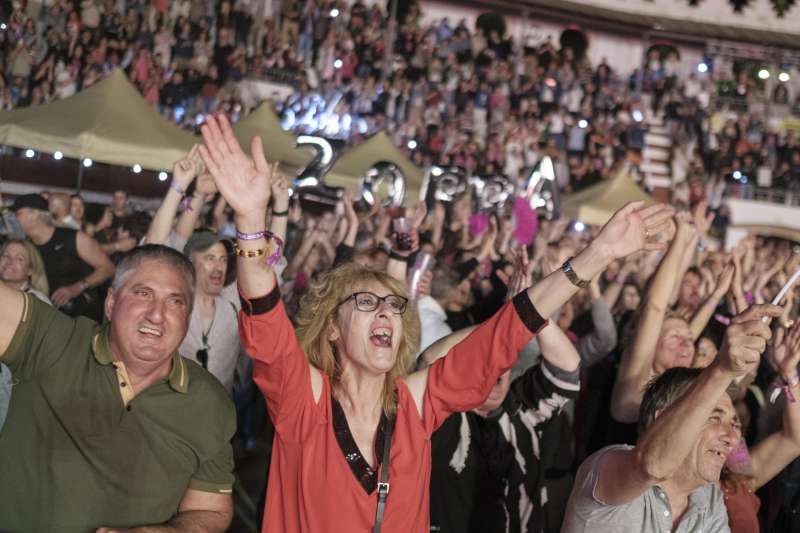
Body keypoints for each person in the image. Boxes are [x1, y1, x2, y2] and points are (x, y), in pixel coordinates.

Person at [197, 113, 673, 532]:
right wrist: (251, 218)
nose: (386, 311)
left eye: (393, 306)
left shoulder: (416, 404)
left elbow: (504, 333)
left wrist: (599, 254)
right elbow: (265, 323)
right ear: (332, 330)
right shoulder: (303, 400)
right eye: (366, 302)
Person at [0, 244, 236, 532]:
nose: (157, 315)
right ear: (111, 303)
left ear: (187, 318)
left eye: (175, 302)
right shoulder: (54, 341)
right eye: (143, 294)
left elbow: (209, 511)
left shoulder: (209, 402)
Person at [561, 304, 783, 533]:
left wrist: (790, 378)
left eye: (734, 423)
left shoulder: (710, 498)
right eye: (714, 418)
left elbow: (790, 441)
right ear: (662, 419)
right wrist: (721, 368)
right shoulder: (607, 466)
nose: (733, 436)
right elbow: (652, 465)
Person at [12, 193, 115, 320]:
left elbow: (108, 268)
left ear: (34, 214)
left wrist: (78, 287)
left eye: (18, 214)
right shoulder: (27, 246)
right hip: (49, 318)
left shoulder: (73, 237)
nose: (13, 219)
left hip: (83, 317)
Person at [0, 238, 51, 431]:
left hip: (14, 388)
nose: (9, 261)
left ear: (30, 270)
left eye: (19, 258)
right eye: (5, 255)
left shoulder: (37, 302)